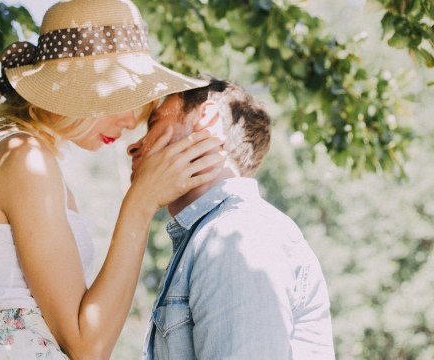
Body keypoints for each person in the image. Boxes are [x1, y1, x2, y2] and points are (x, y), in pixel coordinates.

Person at [0, 1, 223, 359]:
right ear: (77, 89)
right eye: (124, 96)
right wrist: (140, 204)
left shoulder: (6, 154)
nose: (131, 121)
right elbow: (87, 347)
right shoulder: (24, 158)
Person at [127, 79, 335, 359]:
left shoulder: (237, 235)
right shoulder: (212, 236)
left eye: (153, 122)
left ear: (207, 121)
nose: (133, 145)